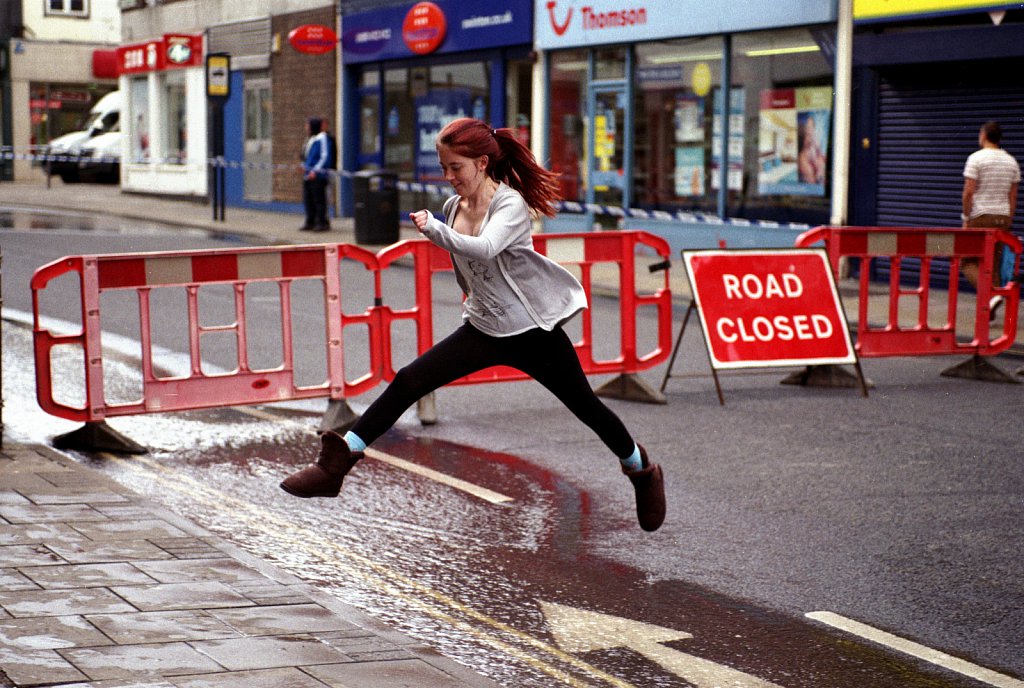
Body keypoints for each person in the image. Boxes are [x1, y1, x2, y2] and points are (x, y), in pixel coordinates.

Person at [280, 117, 666, 532]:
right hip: (484, 328)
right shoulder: (452, 207)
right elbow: (468, 270)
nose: (448, 178)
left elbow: (483, 249)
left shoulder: (510, 205)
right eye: (444, 168)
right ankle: (336, 464)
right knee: (410, 379)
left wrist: (435, 232)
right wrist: (470, 294)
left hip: (532, 333)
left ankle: (642, 470)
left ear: (482, 163)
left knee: (586, 407)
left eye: (456, 168)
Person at [961, 120, 1020, 321]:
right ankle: (988, 310)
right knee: (992, 265)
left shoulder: (976, 159)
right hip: (1002, 218)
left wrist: (966, 218)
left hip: (981, 216)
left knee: (967, 261)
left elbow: (969, 192)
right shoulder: (1011, 161)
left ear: (984, 135)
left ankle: (991, 295)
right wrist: (1008, 219)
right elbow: (1013, 196)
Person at [300, 117, 331, 232]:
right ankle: (310, 221)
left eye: (308, 125)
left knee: (319, 200)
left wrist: (315, 171)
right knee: (308, 200)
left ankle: (322, 222)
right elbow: (307, 155)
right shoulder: (311, 139)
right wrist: (303, 166)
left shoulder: (322, 138)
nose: (306, 128)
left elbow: (324, 156)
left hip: (317, 175)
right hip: (308, 174)